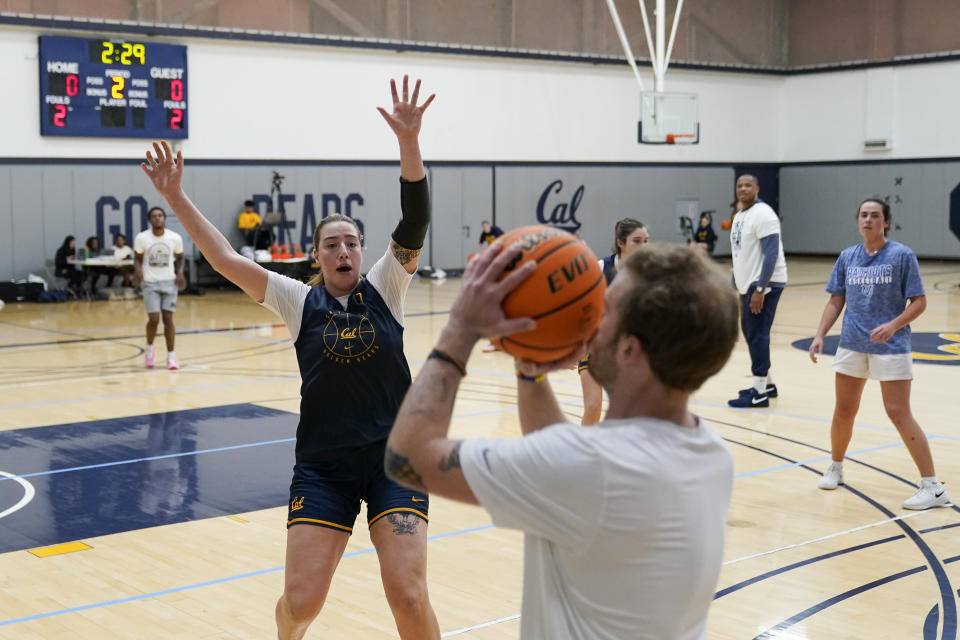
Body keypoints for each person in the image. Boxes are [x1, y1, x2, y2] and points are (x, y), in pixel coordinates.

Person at [140, 75, 440, 640]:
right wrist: (176, 197)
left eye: (352, 241)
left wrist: (409, 141)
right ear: (317, 257)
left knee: (408, 592)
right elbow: (226, 258)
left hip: (395, 461)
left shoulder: (388, 286)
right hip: (324, 466)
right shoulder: (298, 300)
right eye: (333, 244)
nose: (345, 249)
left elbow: (415, 220)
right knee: (301, 605)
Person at [386, 242, 739, 640]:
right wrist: (530, 372)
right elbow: (563, 463)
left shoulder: (591, 468)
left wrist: (461, 329)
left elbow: (407, 455)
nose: (590, 322)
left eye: (604, 312)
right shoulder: (710, 453)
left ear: (629, 349)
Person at [809, 198, 949, 510]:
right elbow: (836, 300)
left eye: (875, 215)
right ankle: (836, 467)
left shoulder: (901, 255)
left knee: (898, 412)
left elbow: (919, 302)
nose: (868, 219)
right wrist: (820, 335)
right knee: (844, 411)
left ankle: (933, 487)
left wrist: (893, 325)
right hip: (851, 344)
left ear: (885, 221)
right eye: (863, 215)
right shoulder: (848, 257)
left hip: (891, 346)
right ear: (857, 221)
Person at [578, 218, 649, 425]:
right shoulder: (600, 268)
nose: (644, 246)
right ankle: (580, 454)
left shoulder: (648, 274)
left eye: (646, 241)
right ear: (621, 243)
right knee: (592, 406)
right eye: (637, 241)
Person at [727, 174, 788, 408]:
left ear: (757, 188)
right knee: (752, 333)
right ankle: (767, 385)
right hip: (749, 283)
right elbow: (741, 253)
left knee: (758, 333)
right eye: (739, 185)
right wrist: (736, 281)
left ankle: (759, 393)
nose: (743, 189)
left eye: (748, 185)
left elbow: (771, 253)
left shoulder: (764, 214)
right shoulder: (741, 215)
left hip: (764, 283)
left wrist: (761, 287)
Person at [134, 206, 185, 370]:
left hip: (169, 282)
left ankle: (171, 356)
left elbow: (181, 256)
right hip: (150, 282)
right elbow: (137, 258)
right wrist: (138, 270)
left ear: (164, 218)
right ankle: (149, 348)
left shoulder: (174, 237)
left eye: (160, 215)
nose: (158, 218)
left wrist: (180, 272)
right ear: (150, 220)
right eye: (154, 216)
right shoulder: (142, 238)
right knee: (154, 319)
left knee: (168, 319)